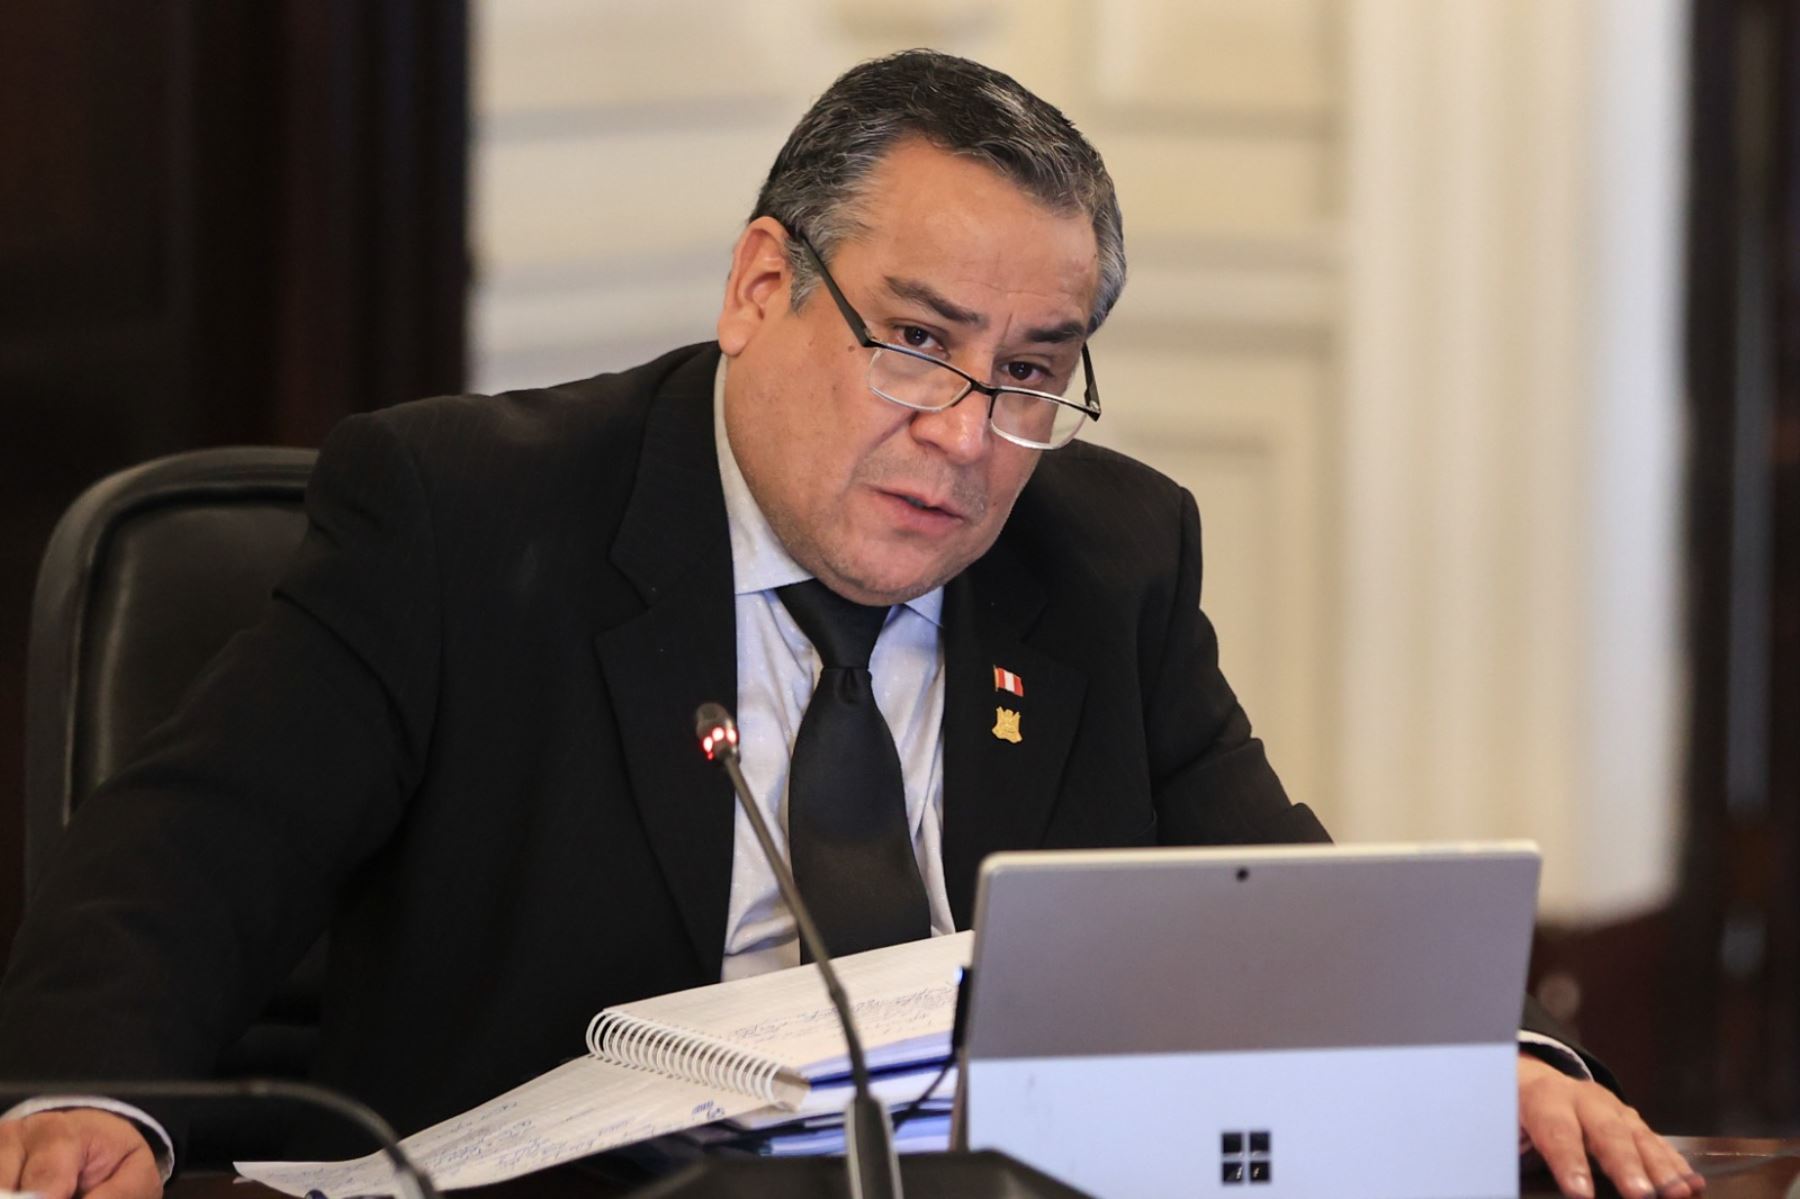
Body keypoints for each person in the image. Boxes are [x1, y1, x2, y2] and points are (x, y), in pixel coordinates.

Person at [0, 50, 1699, 1199]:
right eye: (916, 342)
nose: (966, 433)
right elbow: (191, 850)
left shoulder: (1105, 560)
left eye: (1030, 374)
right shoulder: (466, 517)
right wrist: (88, 1092)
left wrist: (1485, 1061)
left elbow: (1270, 907)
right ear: (762, 287)